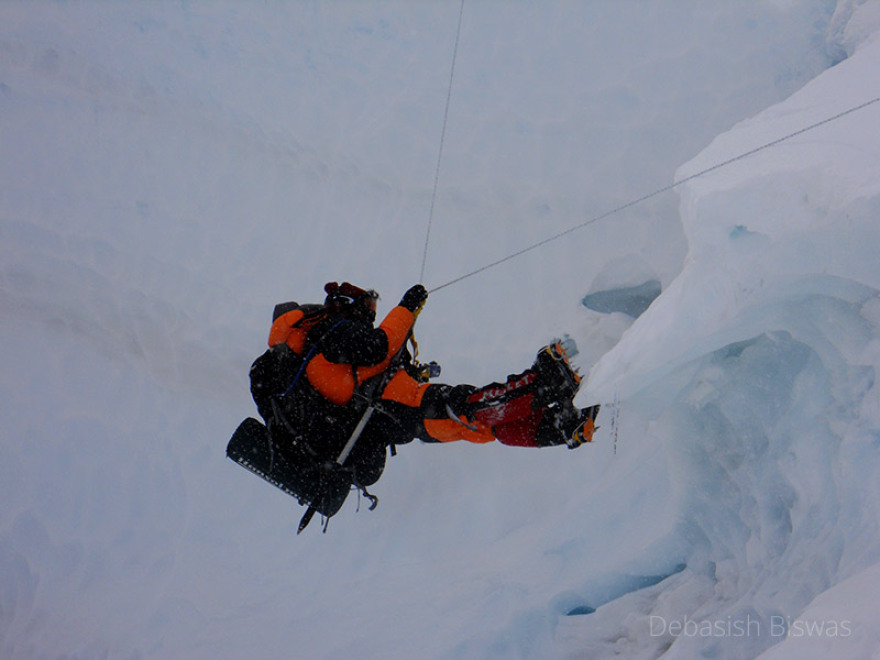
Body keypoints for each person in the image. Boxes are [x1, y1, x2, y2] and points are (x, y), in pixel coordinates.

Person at [249, 281, 597, 488]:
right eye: (368, 306)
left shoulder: (308, 358)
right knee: (461, 407)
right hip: (386, 405)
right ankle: (545, 383)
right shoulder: (330, 328)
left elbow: (370, 362)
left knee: (475, 426)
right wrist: (407, 307)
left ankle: (562, 428)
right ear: (348, 305)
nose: (371, 314)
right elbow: (377, 348)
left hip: (384, 415)